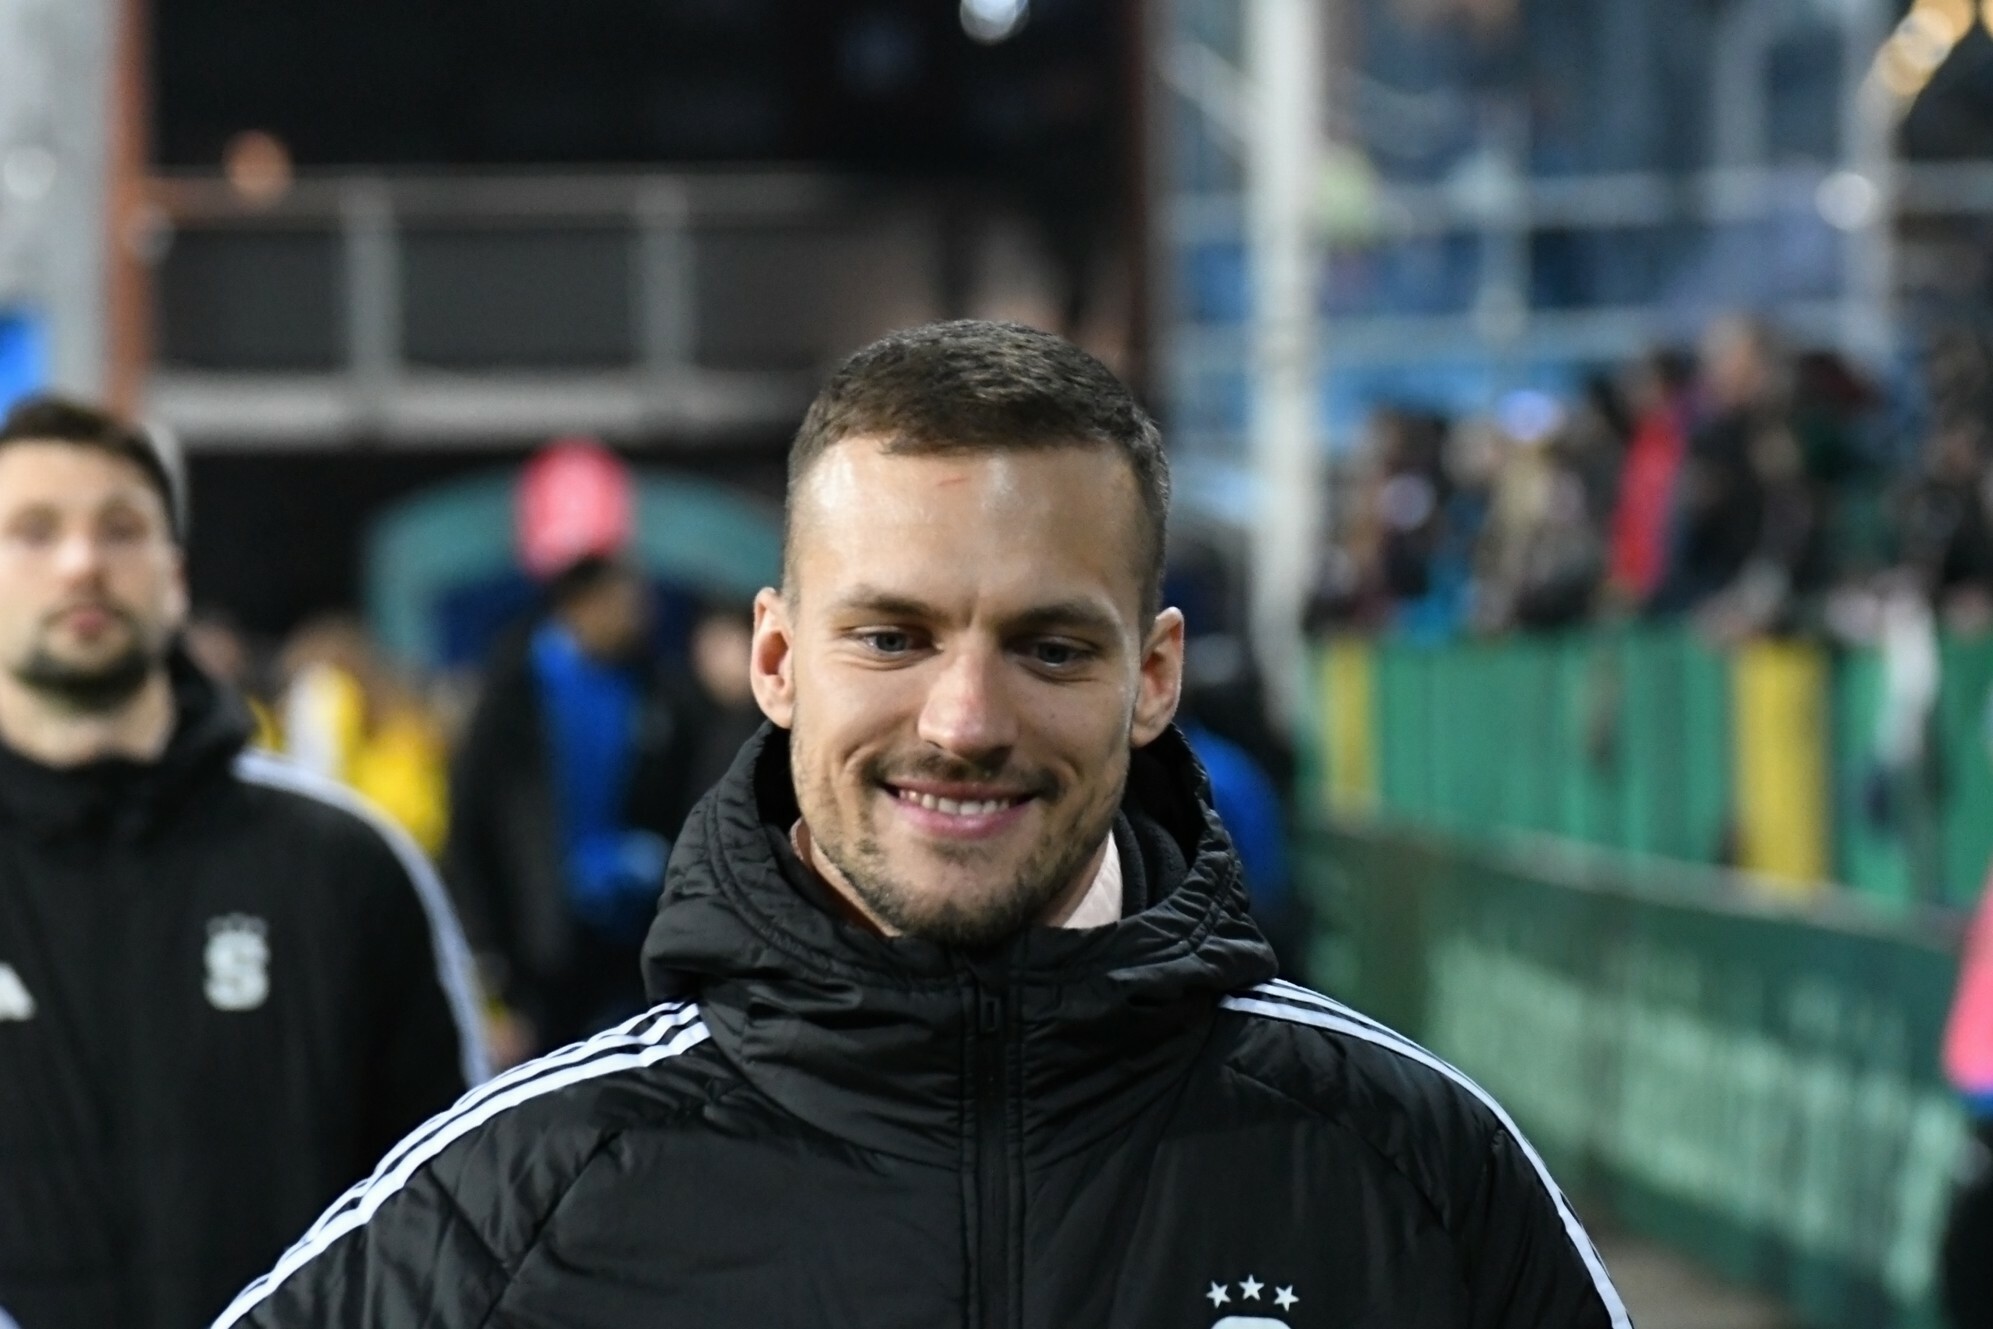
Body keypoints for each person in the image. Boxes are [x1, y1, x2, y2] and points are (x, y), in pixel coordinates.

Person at [214, 322, 1630, 1329]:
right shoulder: (519, 1203)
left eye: (1049, 647)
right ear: (777, 660)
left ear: (1153, 677)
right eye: (891, 637)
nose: (963, 720)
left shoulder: (1414, 1171)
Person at [0, 395, 487, 1329]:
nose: (81, 562)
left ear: (175, 575)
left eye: (120, 528)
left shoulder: (343, 866)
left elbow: (457, 1209)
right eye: (34, 530)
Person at [443, 553, 705, 1061]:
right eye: (625, 602)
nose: (642, 615)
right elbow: (472, 826)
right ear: (579, 605)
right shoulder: (514, 691)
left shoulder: (656, 688)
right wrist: (486, 954)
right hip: (535, 943)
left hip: (630, 935)